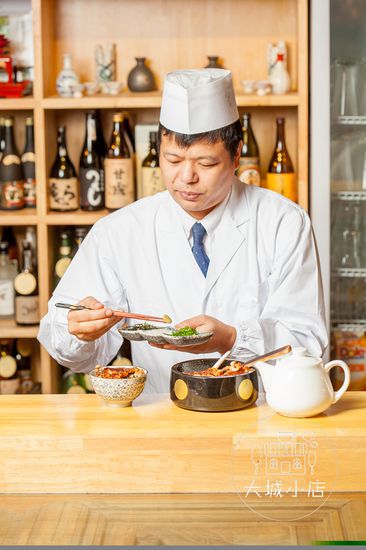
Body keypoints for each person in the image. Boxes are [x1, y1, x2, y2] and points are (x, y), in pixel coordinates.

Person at [38, 68, 328, 393]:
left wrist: (233, 338)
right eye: (172, 160)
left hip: (262, 414)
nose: (186, 177)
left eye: (205, 164)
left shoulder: (283, 222)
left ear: (236, 156)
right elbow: (65, 346)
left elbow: (308, 341)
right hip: (162, 416)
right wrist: (80, 331)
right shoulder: (119, 231)